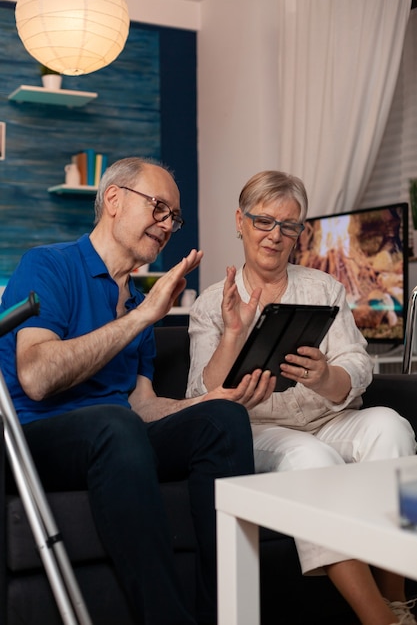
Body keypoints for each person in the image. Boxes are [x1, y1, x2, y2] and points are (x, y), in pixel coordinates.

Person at [0, 158, 276, 625]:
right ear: (113, 200)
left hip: (117, 438)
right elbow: (37, 376)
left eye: (174, 217)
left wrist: (208, 402)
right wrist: (144, 315)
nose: (168, 225)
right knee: (114, 424)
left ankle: (229, 615)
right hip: (37, 440)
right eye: (159, 208)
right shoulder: (48, 265)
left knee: (222, 421)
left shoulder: (137, 302)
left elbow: (142, 405)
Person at [186, 170, 417, 625]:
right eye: (263, 222)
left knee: (392, 427)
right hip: (259, 428)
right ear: (240, 221)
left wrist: (327, 375)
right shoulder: (212, 303)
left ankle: (398, 597)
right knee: (312, 459)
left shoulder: (323, 289)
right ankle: (379, 620)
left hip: (328, 417)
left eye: (289, 226)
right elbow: (199, 393)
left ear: (300, 233)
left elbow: (358, 363)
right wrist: (233, 334)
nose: (275, 236)